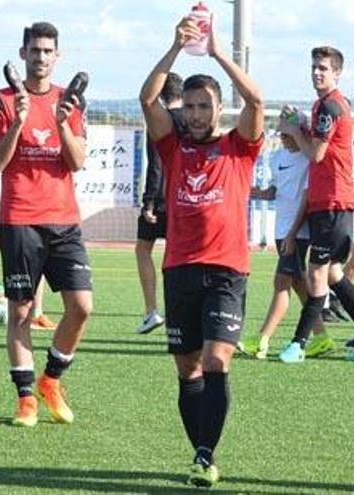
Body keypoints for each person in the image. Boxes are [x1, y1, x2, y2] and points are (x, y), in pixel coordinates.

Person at [140, 13, 263, 487]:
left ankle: (206, 452)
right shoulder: (172, 146)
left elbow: (256, 99)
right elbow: (147, 98)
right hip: (180, 270)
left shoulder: (239, 146)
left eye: (203, 105)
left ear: (217, 109)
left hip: (227, 270)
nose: (194, 114)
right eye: (189, 106)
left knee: (216, 361)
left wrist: (216, 54)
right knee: (187, 368)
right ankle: (202, 453)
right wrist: (174, 47)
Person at [0, 21, 93, 428]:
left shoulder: (71, 101)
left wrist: (63, 123)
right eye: (35, 50)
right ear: (23, 53)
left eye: (48, 51)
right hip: (19, 220)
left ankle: (51, 380)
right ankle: (26, 398)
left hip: (64, 221)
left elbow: (78, 162)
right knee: (20, 312)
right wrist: (17, 122)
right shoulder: (2, 100)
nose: (41, 57)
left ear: (57, 56)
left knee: (82, 307)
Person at [276, 45, 354, 363]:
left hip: (334, 202)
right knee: (334, 275)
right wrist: (298, 122)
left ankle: (299, 344)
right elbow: (315, 144)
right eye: (314, 67)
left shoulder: (330, 106)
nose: (316, 72)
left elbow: (316, 154)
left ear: (337, 73)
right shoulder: (322, 106)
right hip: (328, 202)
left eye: (323, 68)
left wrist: (292, 131)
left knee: (317, 276)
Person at [239, 114, 332, 360]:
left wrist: (293, 233)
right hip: (281, 231)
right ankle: (322, 338)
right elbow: (275, 191)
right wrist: (255, 192)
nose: (283, 137)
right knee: (300, 285)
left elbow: (306, 199)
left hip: (298, 233)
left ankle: (262, 340)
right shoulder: (276, 157)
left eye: (288, 132)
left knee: (281, 283)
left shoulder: (307, 160)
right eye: (281, 132)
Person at [135, 73, 185, 335]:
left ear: (162, 96)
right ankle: (180, 314)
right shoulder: (191, 122)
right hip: (184, 201)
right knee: (178, 258)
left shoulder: (160, 121)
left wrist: (149, 201)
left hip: (162, 199)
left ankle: (152, 310)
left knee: (143, 249)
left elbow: (156, 163)